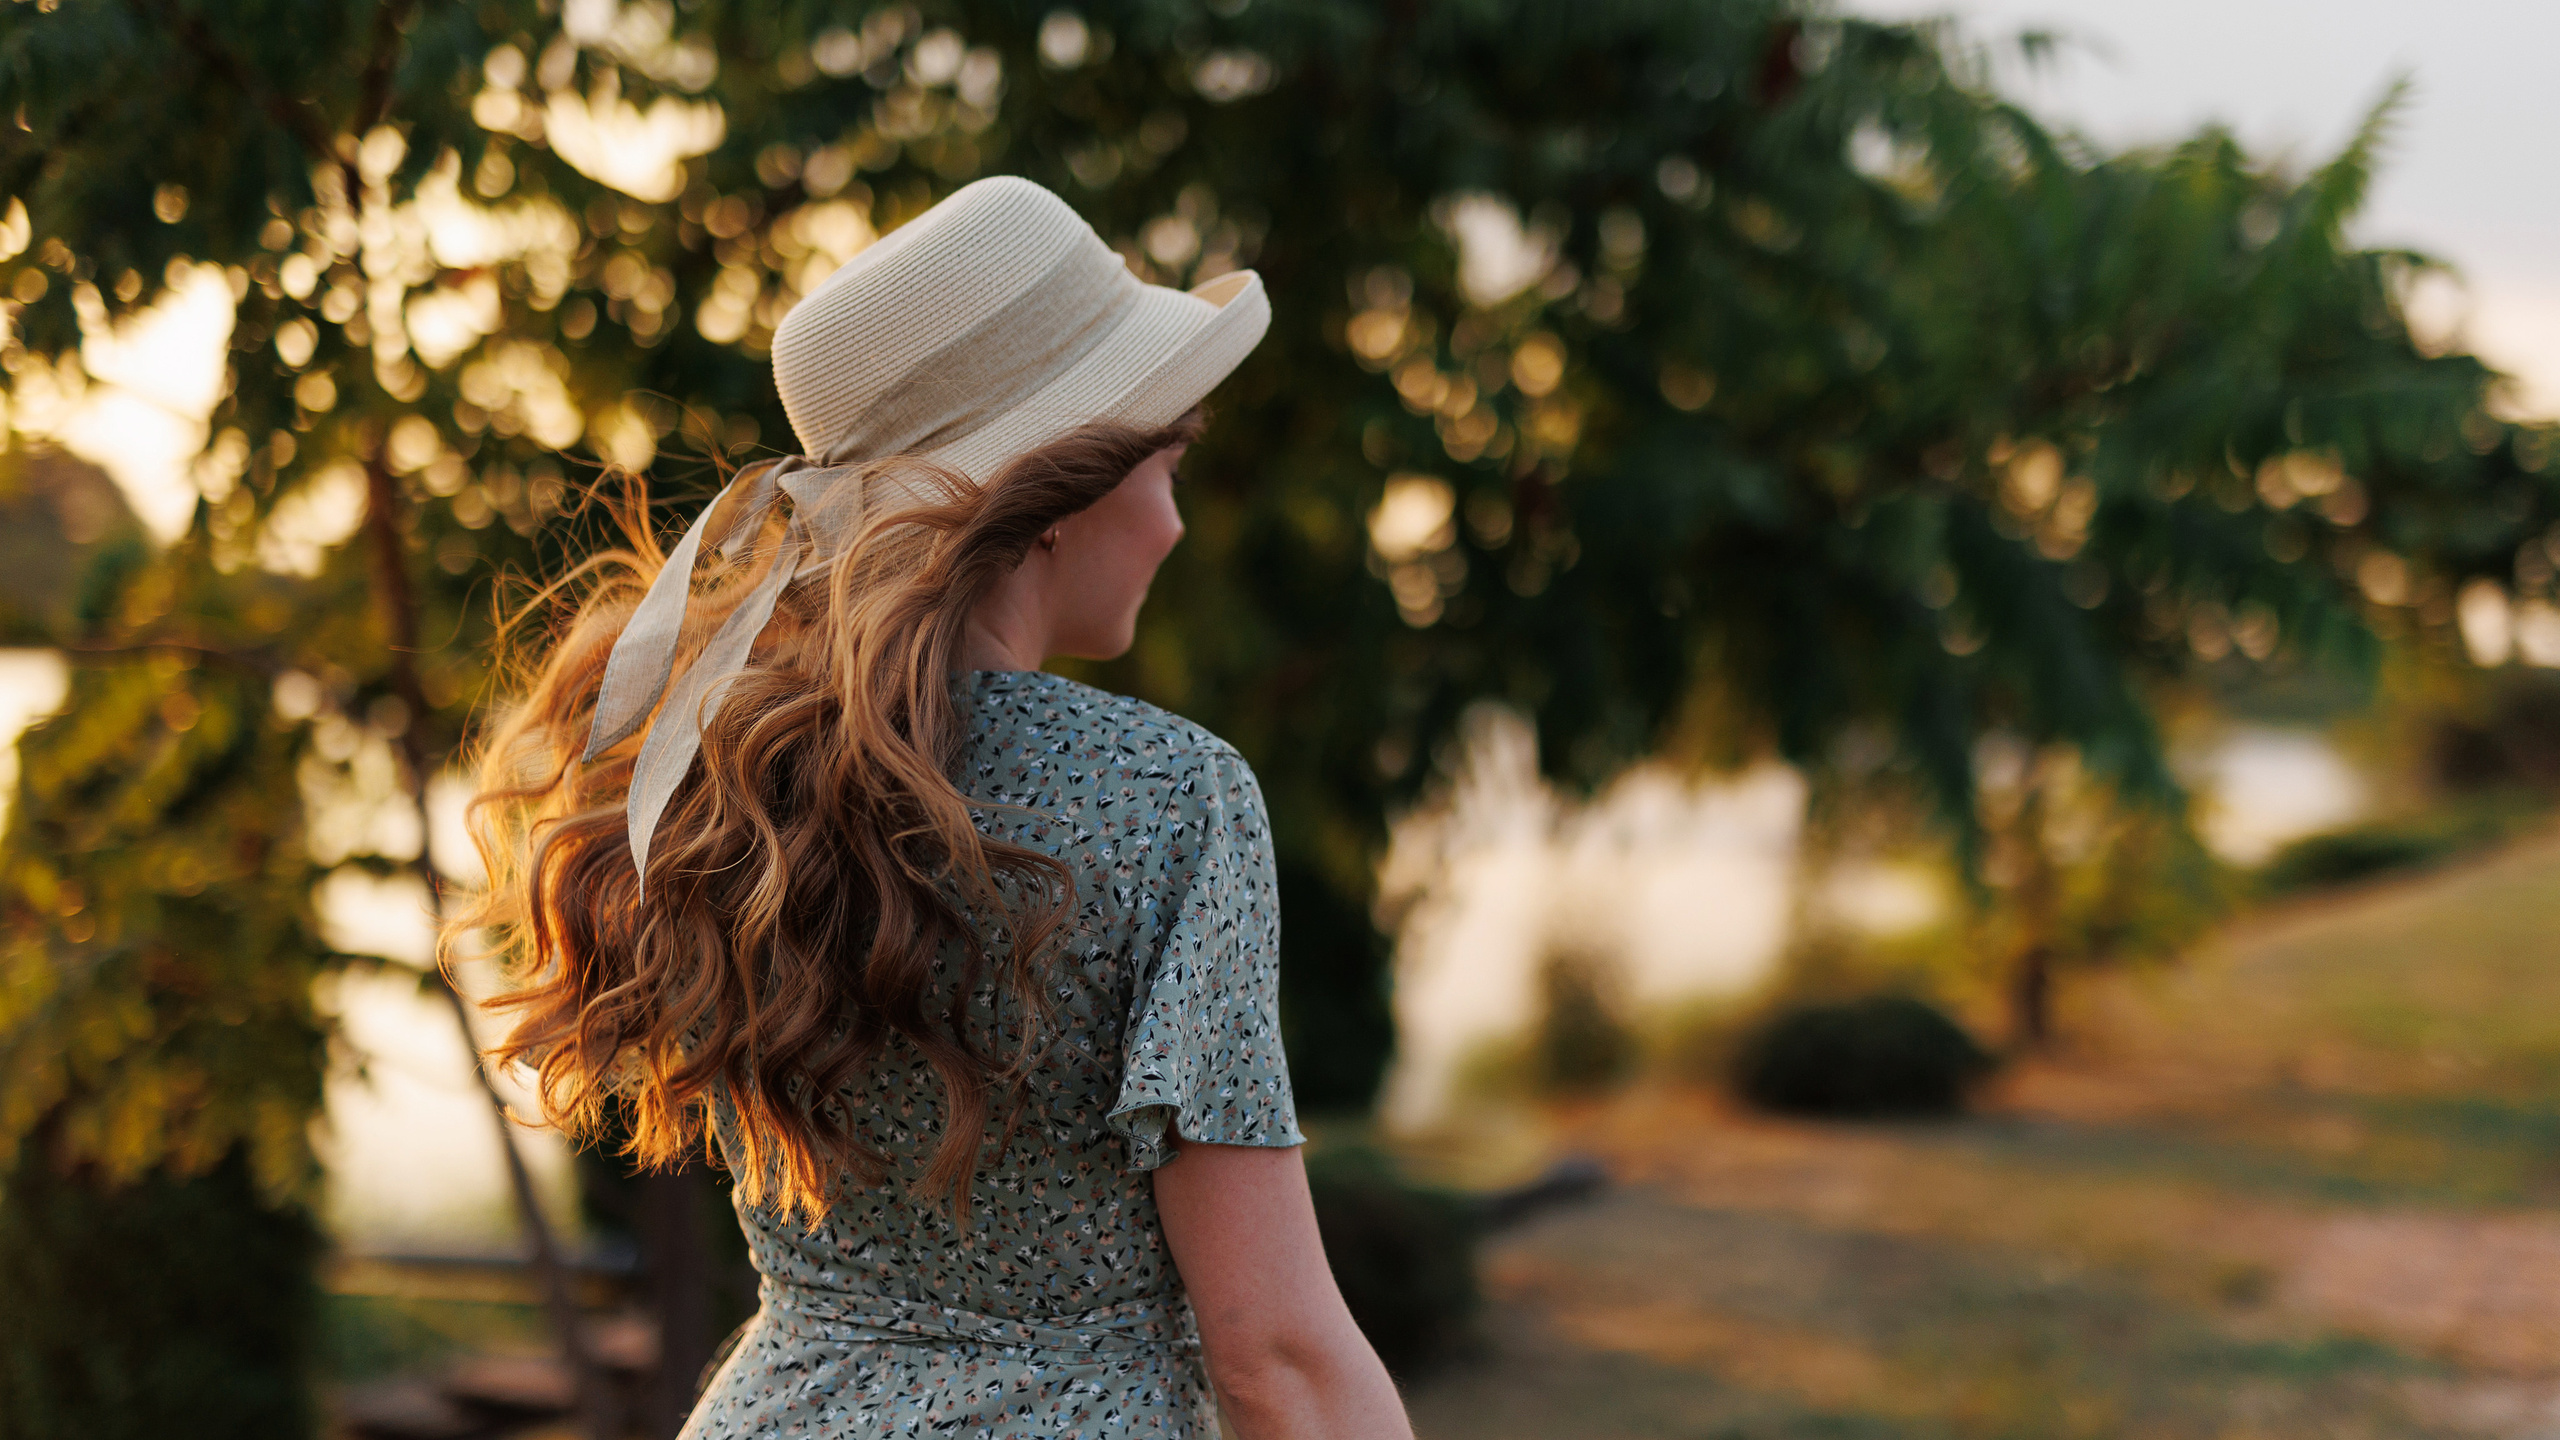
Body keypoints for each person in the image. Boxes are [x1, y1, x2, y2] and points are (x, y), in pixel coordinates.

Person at [453, 176, 1413, 1439]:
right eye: (1167, 464)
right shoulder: (1170, 797)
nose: (1175, 523)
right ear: (1061, 495)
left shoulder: (741, 782)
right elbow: (1276, 1357)